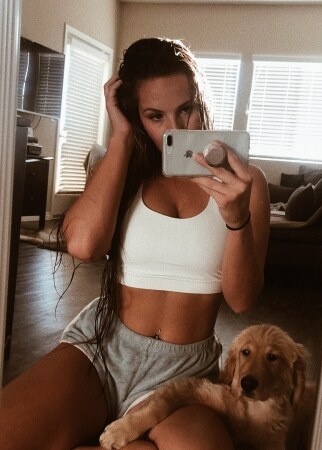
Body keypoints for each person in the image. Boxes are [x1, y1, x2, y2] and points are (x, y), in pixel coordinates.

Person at [0, 37, 270, 449]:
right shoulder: (121, 169)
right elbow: (83, 247)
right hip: (102, 349)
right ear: (137, 117)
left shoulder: (247, 183)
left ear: (202, 102)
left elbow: (242, 300)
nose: (176, 128)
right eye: (155, 116)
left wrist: (236, 220)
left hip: (183, 374)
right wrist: (122, 138)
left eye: (186, 109)